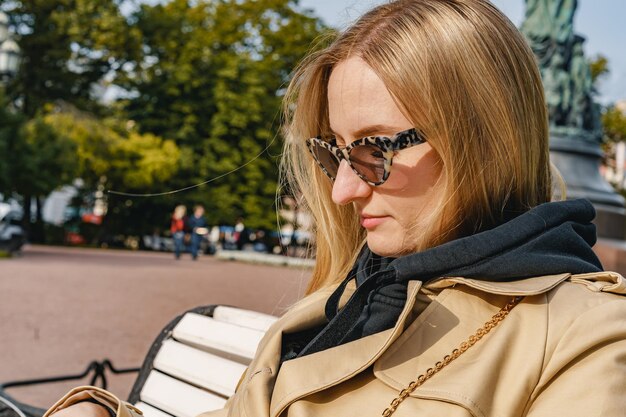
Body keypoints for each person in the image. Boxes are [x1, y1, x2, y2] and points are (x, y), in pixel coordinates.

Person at [45, 1, 626, 417]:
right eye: (333, 153)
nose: (343, 191)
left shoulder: (590, 340)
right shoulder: (345, 299)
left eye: (375, 151)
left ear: (482, 139)